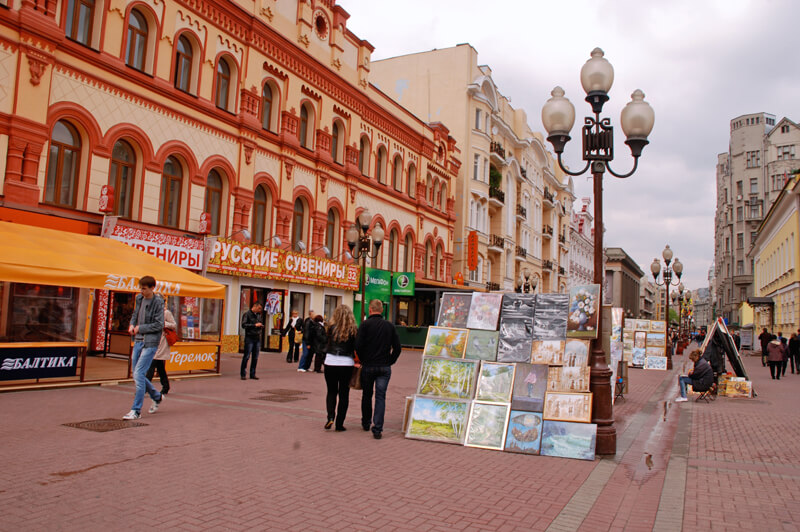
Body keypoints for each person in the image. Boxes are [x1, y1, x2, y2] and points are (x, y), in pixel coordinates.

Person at [355, 299, 401, 439]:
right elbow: (397, 348)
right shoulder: (389, 326)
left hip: (368, 366)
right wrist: (390, 360)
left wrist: (363, 359)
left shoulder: (364, 325)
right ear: (381, 310)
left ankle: (366, 421)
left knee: (367, 395)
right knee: (381, 396)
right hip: (384, 366)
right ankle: (378, 428)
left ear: (370, 310)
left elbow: (357, 346)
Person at [123, 276, 165, 420]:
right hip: (138, 340)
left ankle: (136, 410)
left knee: (138, 374)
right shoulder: (139, 299)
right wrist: (131, 324)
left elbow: (159, 325)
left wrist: (140, 328)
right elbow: (135, 314)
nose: (141, 290)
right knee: (137, 373)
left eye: (144, 288)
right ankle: (157, 396)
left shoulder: (158, 302)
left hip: (150, 342)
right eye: (140, 287)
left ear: (152, 288)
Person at [322, 305, 358, 431]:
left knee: (331, 391)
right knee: (344, 394)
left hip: (330, 361)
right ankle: (339, 423)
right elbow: (356, 347)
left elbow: (325, 343)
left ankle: (330, 417)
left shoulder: (331, 328)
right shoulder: (353, 329)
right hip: (346, 363)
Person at [146, 307, 176, 396]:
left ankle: (144, 388)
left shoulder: (166, 313)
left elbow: (173, 325)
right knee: (160, 367)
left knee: (152, 364)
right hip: (153, 341)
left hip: (162, 342)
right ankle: (166, 386)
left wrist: (163, 323)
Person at [240, 302, 264, 380]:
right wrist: (254, 325)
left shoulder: (258, 315)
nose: (260, 310)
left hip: (257, 337)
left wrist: (260, 326)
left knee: (255, 357)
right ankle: (243, 374)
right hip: (249, 337)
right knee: (246, 356)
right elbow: (244, 325)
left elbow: (259, 323)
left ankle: (252, 373)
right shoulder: (247, 314)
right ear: (254, 306)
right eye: (259, 308)